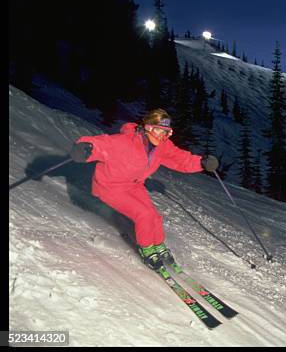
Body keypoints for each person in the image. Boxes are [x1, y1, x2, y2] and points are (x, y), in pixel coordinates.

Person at [70, 108, 218, 270]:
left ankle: (158, 245)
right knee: (144, 215)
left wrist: (201, 163)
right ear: (147, 127)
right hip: (110, 187)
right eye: (158, 130)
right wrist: (85, 147)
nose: (162, 135)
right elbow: (102, 143)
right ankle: (147, 250)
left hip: (134, 185)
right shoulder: (126, 141)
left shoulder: (162, 146)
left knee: (155, 217)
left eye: (166, 132)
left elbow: (180, 159)